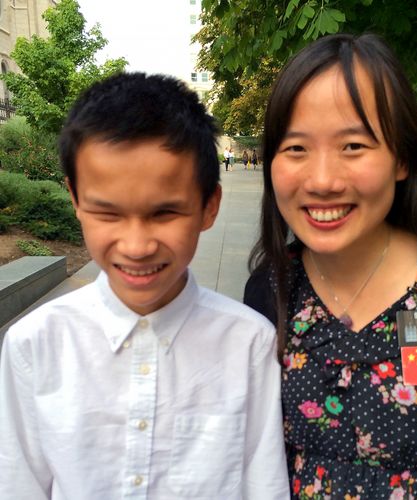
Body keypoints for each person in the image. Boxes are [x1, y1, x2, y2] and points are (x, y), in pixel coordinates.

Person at [0, 72, 289, 499]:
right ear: (75, 199)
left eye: (165, 213)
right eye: (108, 213)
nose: (137, 246)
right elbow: (20, 483)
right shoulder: (34, 344)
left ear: (209, 206)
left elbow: (263, 486)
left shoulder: (250, 345)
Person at [244, 33, 417, 499]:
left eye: (354, 146)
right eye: (296, 148)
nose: (322, 180)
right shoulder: (271, 289)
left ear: (401, 157)